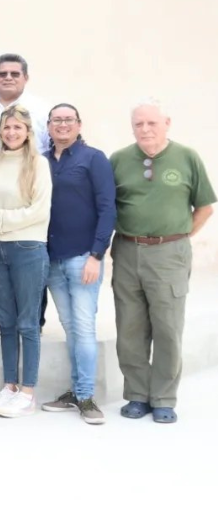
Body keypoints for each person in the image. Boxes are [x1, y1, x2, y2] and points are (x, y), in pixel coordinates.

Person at [110, 99, 214, 424]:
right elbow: (106, 205)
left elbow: (205, 207)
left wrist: (177, 237)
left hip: (169, 253)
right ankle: (137, 396)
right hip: (126, 251)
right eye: (139, 124)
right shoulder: (119, 159)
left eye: (151, 123)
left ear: (166, 123)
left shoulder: (186, 157)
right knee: (130, 328)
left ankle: (164, 398)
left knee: (168, 327)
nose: (145, 129)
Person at [0, 105, 52, 419]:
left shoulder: (38, 164)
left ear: (28, 132)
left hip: (28, 248)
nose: (11, 133)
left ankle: (28, 391)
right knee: (5, 322)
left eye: (18, 128)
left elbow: (39, 212)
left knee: (28, 323)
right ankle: (9, 386)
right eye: (7, 128)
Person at [39, 104, 115, 425]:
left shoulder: (93, 158)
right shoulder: (41, 161)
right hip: (52, 259)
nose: (63, 124)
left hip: (84, 258)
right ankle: (75, 390)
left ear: (79, 124)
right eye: (57, 120)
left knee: (83, 328)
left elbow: (108, 207)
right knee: (71, 327)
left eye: (69, 119)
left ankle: (85, 396)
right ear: (49, 125)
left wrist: (97, 255)